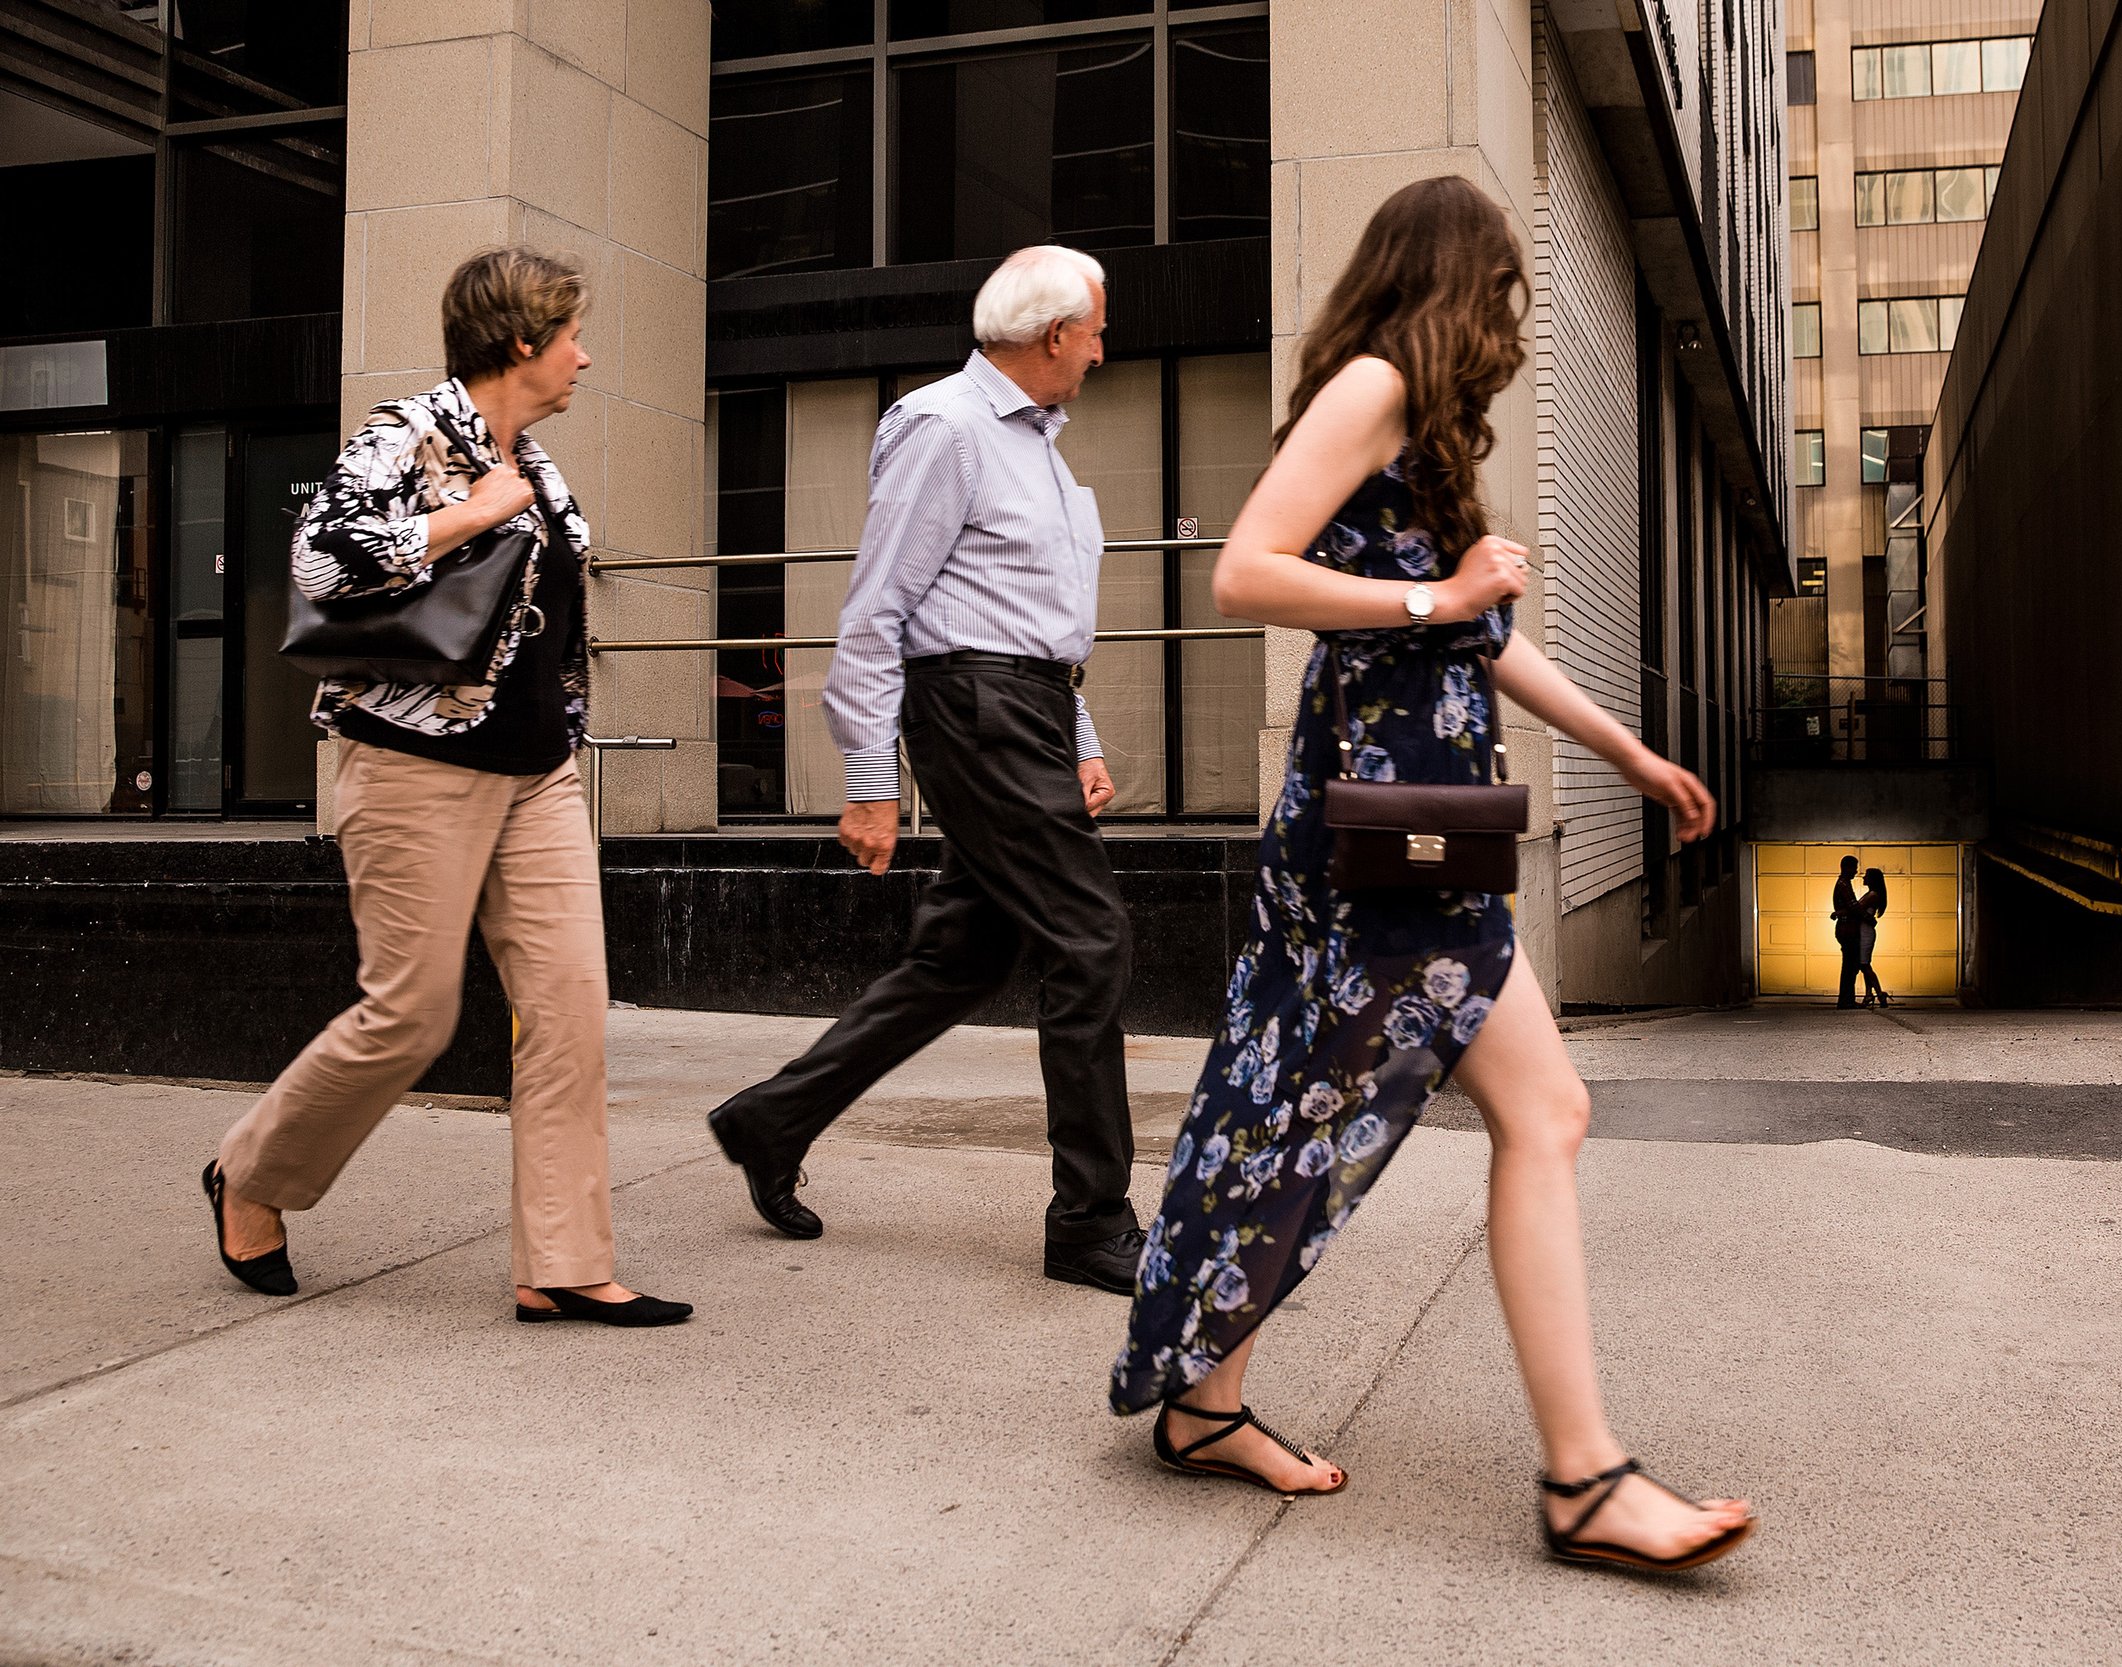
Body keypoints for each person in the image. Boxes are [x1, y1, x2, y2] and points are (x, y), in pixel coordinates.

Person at [1108, 177, 1756, 1577]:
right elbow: (1244, 572)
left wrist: (1629, 752)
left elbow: (1489, 644)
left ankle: (1208, 1404)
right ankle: (1584, 1477)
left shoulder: (1418, 421)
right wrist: (1435, 597)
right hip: (1384, 843)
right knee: (1504, 1106)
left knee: (1319, 1102)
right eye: (1509, 293)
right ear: (1459, 282)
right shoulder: (1374, 385)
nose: (1516, 325)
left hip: (1418, 828)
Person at [204, 246, 690, 1328]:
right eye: (572, 335)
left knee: (567, 1012)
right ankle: (254, 1172)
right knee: (411, 1015)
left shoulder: (540, 462)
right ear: (521, 341)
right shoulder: (406, 435)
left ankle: (562, 1261)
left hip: (537, 773)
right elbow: (320, 562)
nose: (585, 355)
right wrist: (470, 513)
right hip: (414, 764)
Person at [705, 245, 1145, 1294]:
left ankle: (770, 1118)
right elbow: (877, 608)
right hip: (974, 710)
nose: (1101, 343)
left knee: (959, 958)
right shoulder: (944, 426)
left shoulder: (1037, 446)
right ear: (1052, 335)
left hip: (1025, 706)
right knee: (1091, 940)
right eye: (1095, 324)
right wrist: (869, 775)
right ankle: (1090, 1218)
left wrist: (1077, 741)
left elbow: (1038, 625)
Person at [1832, 853, 1866, 1008]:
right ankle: (1847, 1000)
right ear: (1846, 867)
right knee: (1850, 966)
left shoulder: (1842, 883)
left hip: (1845, 928)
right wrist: (1867, 917)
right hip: (1847, 929)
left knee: (1850, 965)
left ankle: (1846, 999)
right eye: (1854, 868)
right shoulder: (1844, 884)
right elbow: (1853, 906)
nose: (1856, 871)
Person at [1857, 867, 1893, 1008]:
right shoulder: (1870, 893)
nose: (1863, 878)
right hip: (1863, 931)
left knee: (1864, 965)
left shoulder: (1873, 895)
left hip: (1865, 933)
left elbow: (1857, 909)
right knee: (1864, 965)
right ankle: (1869, 995)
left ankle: (1879, 994)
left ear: (1872, 879)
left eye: (1866, 876)